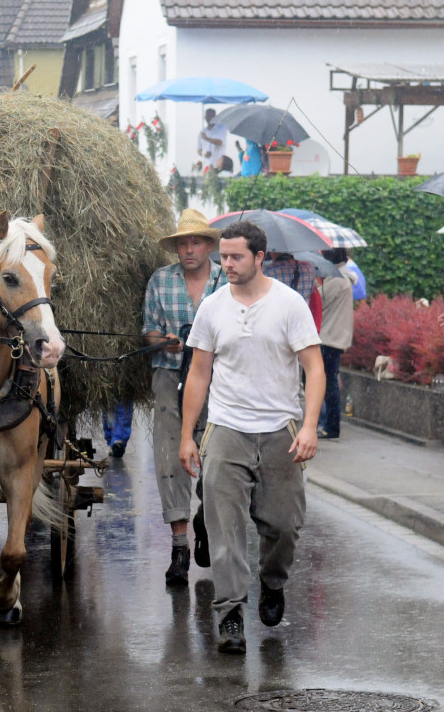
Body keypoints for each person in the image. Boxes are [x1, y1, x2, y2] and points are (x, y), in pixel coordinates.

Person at [179, 220, 324, 655]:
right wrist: (187, 435)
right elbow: (198, 372)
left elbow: (314, 368)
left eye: (236, 256)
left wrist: (311, 426)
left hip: (280, 431)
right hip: (226, 430)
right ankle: (230, 613)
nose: (227, 264)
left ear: (260, 257)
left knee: (283, 526)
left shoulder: (289, 305)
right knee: (226, 527)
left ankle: (272, 582)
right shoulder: (213, 307)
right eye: (223, 256)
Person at [142, 209, 226, 586]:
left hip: (219, 380)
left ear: (208, 245)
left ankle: (207, 517)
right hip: (169, 376)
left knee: (218, 453)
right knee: (170, 453)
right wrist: (168, 343)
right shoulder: (160, 281)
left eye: (196, 242)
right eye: (183, 244)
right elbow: (149, 332)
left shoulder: (226, 280)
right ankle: (179, 547)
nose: (189, 249)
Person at [317, 249, 354, 440]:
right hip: (335, 338)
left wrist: (317, 285)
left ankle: (330, 426)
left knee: (325, 383)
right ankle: (328, 424)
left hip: (329, 338)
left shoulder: (337, 280)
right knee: (328, 381)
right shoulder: (343, 278)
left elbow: (319, 301)